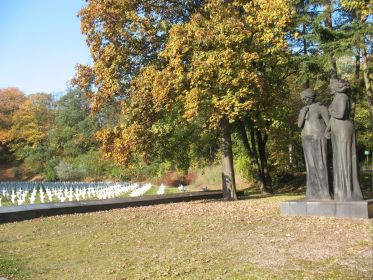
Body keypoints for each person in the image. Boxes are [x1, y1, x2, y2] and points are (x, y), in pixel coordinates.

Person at [325, 78, 363, 201]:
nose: (329, 88)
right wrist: (327, 130)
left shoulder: (342, 97)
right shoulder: (336, 98)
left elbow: (340, 115)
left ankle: (349, 192)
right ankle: (341, 192)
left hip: (344, 130)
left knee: (345, 159)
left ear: (336, 87)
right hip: (337, 130)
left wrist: (330, 111)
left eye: (331, 86)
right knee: (339, 160)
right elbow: (332, 118)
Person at [298, 88, 331, 200]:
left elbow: (329, 123)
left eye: (305, 98)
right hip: (306, 138)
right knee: (310, 166)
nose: (303, 101)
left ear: (310, 97)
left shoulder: (320, 107)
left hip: (318, 137)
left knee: (321, 164)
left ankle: (325, 193)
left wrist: (328, 134)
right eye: (302, 99)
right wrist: (303, 112)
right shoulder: (303, 109)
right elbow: (299, 125)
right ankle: (313, 192)